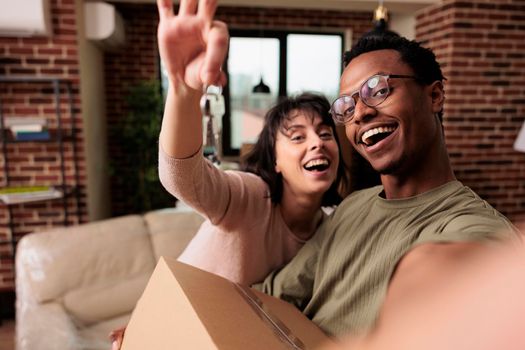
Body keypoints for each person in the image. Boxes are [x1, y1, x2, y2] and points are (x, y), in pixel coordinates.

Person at [255, 34, 519, 338]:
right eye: (347, 106)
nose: (362, 113)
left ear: (434, 96)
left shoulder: (474, 227)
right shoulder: (352, 206)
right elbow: (276, 292)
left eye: (378, 90)